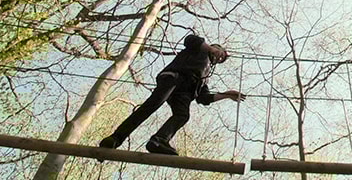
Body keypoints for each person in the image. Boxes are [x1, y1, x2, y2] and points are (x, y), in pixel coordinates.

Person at [99, 34, 244, 155]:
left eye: (221, 60)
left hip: (185, 93)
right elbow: (190, 39)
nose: (219, 58)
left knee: (182, 115)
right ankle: (115, 138)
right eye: (221, 54)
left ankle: (158, 140)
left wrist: (226, 95)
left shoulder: (205, 76)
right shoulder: (198, 49)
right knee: (152, 105)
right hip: (174, 78)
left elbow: (203, 98)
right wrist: (211, 48)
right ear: (215, 47)